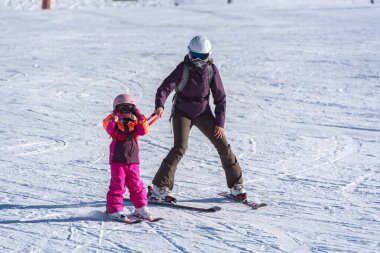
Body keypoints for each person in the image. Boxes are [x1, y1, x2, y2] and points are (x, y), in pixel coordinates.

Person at [150, 35, 247, 202]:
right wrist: (160, 105)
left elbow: (220, 97)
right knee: (180, 147)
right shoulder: (183, 68)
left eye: (202, 57)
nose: (197, 60)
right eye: (194, 55)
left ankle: (236, 186)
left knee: (223, 146)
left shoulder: (211, 70)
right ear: (189, 53)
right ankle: (160, 187)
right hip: (182, 113)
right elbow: (165, 88)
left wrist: (220, 123)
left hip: (203, 113)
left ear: (208, 55)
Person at [103, 94, 154, 221]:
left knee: (136, 183)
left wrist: (140, 115)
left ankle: (140, 208)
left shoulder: (136, 121)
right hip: (117, 158)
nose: (125, 111)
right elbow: (109, 129)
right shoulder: (113, 120)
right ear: (116, 108)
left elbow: (144, 131)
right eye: (122, 108)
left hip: (133, 158)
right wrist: (115, 116)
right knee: (118, 183)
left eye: (129, 108)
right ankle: (113, 210)